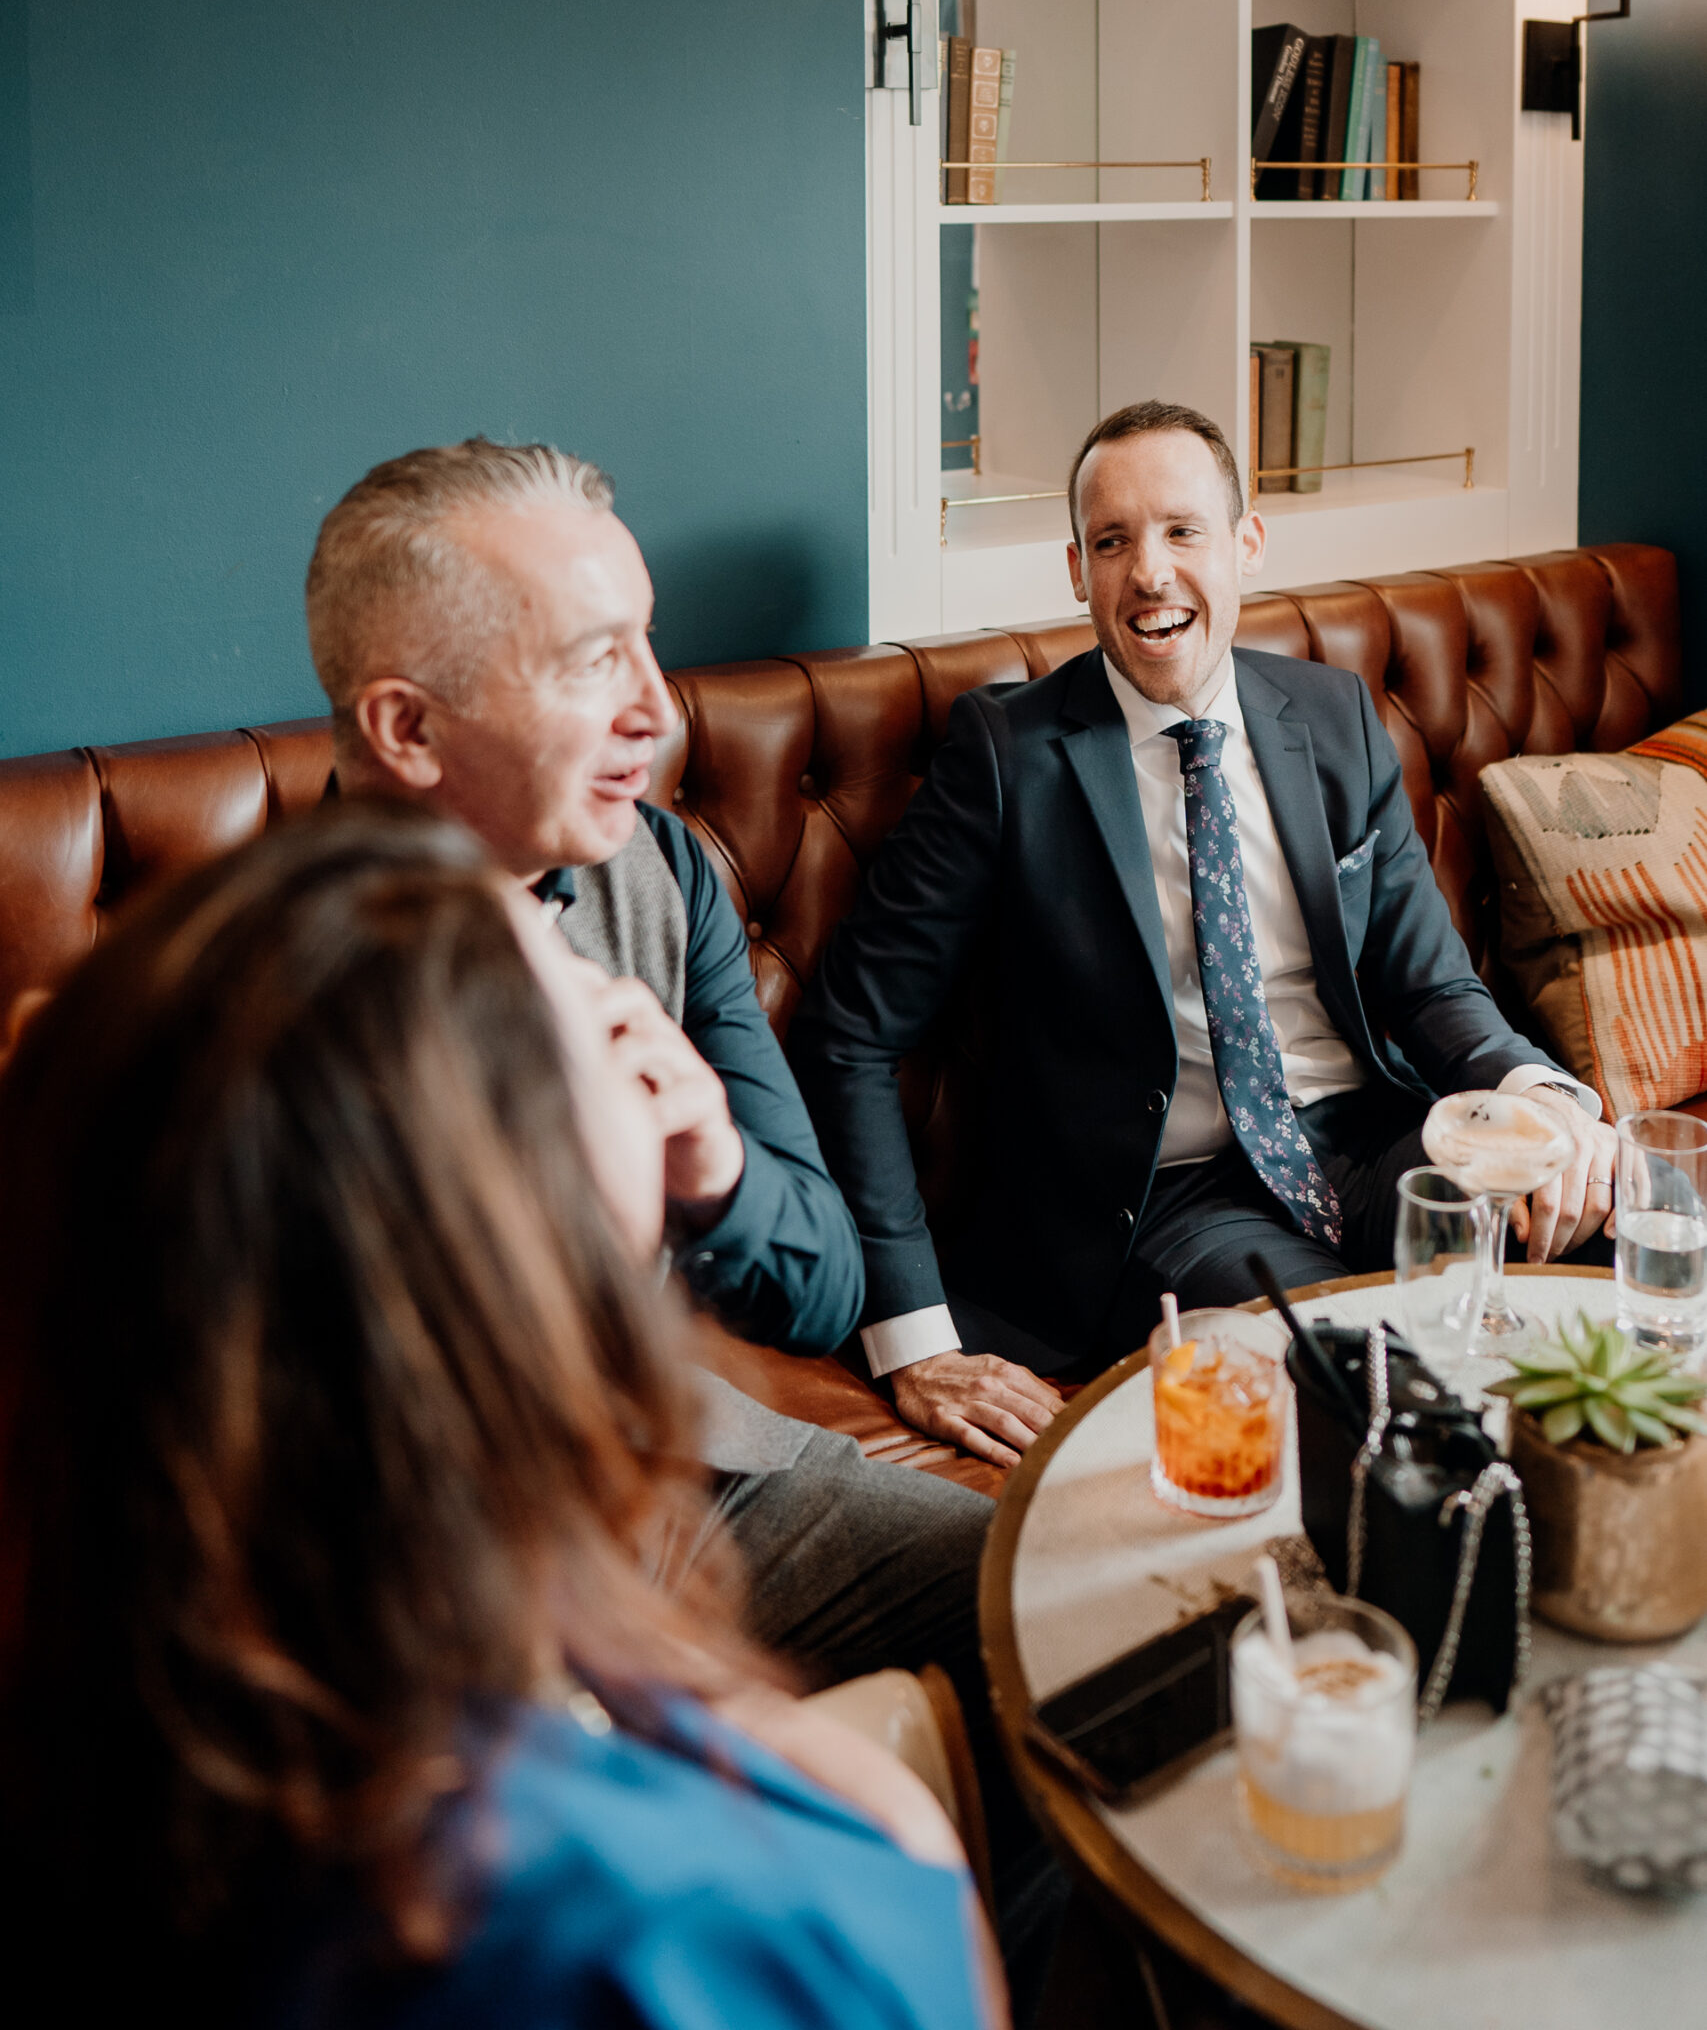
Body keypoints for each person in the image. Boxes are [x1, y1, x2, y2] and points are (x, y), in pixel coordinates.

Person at [0, 806, 999, 2028]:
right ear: (496, 1242)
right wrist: (907, 1853)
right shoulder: (719, 1939)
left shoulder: (149, 1711)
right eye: (573, 1012)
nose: (613, 1003)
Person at [302, 441, 1061, 2008]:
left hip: (710, 1477)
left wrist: (710, 1156)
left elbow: (823, 1276)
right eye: (596, 660)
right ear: (405, 727)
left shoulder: (661, 872)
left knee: (1055, 1605)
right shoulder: (281, 1001)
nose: (659, 705)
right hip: (458, 1577)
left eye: (646, 638)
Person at [791, 400, 1616, 1468]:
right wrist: (910, 1336)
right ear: (1078, 571)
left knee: (1632, 1208)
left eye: (1183, 530)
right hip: (1175, 1200)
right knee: (1358, 1373)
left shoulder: (1332, 716)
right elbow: (849, 1032)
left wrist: (1541, 1097)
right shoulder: (1007, 756)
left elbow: (1428, 985)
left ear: (1246, 544)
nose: (1151, 571)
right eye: (1114, 541)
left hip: (1375, 1141)